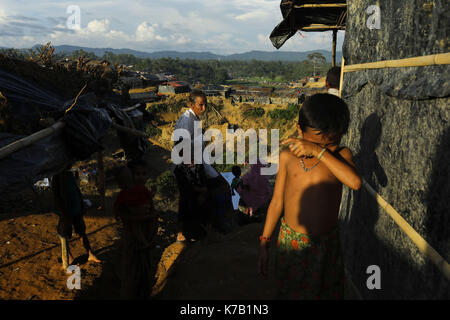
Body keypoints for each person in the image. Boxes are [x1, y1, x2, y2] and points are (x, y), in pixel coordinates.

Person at [258, 93, 362, 300]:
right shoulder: (288, 157)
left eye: (331, 143)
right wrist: (265, 241)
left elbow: (355, 182)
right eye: (316, 142)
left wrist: (318, 151)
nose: (324, 148)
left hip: (325, 246)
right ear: (299, 130)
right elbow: (277, 201)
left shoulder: (341, 156)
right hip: (290, 242)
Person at [114, 160, 157, 300]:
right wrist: (146, 216)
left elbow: (152, 208)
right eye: (136, 174)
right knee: (132, 275)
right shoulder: (126, 194)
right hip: (133, 244)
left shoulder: (144, 191)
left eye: (144, 174)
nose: (140, 177)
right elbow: (123, 215)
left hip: (146, 241)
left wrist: (150, 216)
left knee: (145, 272)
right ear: (130, 176)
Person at [52, 164, 100, 270]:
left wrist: (82, 204)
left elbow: (77, 191)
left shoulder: (70, 174)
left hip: (76, 208)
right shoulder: (57, 177)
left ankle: (90, 254)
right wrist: (63, 212)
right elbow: (56, 196)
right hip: (65, 211)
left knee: (82, 231)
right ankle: (68, 259)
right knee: (64, 234)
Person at [173, 159, 209, 242]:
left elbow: (205, 179)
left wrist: (203, 191)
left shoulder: (199, 165)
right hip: (189, 200)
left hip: (199, 197)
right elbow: (185, 188)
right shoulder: (179, 170)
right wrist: (200, 190)